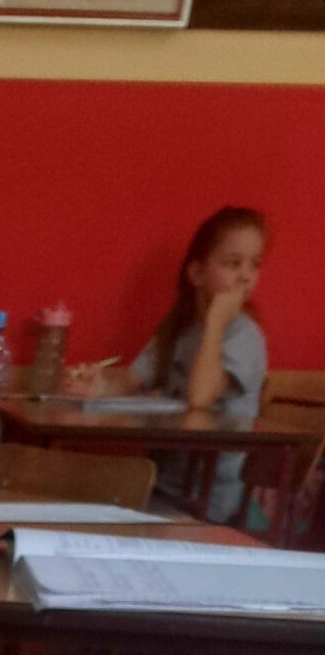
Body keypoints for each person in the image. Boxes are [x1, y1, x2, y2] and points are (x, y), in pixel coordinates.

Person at [74, 205, 268, 523]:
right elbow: (133, 378)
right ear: (197, 274)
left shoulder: (244, 336)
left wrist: (216, 322)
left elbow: (199, 397)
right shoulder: (181, 328)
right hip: (162, 483)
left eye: (254, 264)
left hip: (210, 501)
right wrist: (97, 385)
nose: (245, 276)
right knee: (83, 498)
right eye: (233, 263)